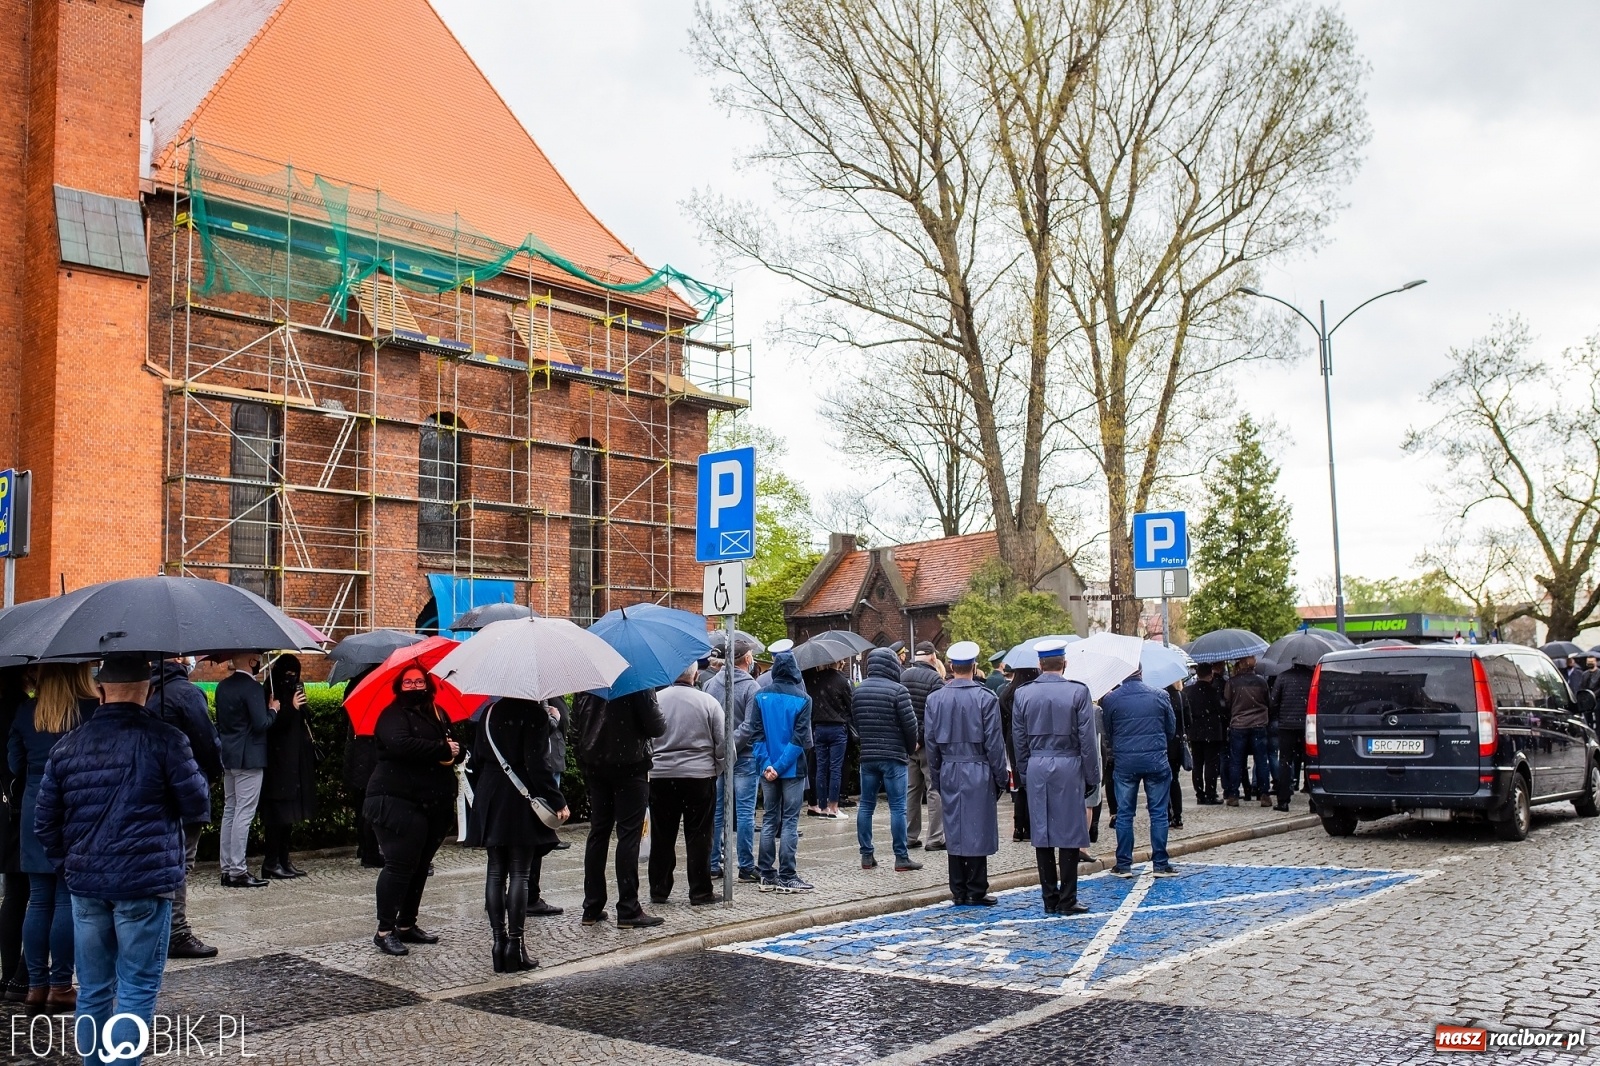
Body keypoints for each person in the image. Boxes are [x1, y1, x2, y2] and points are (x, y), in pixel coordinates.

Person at [35, 654, 209, 1066]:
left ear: (99, 690)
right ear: (147, 690)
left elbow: (45, 823)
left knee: (93, 989)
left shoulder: (66, 747)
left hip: (87, 885)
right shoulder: (166, 739)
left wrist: (70, 865)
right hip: (146, 885)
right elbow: (197, 804)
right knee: (136, 986)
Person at [8, 662, 97, 1014]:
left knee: (38, 901)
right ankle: (61, 986)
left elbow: (15, 763)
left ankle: (34, 986)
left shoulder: (27, 711)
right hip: (73, 810)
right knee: (64, 900)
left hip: (33, 810)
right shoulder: (89, 710)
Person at [465, 696, 568, 973]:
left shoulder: (489, 712)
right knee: (520, 872)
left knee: (495, 871)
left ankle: (498, 945)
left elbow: (474, 761)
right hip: (519, 796)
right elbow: (538, 765)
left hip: (490, 794)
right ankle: (515, 944)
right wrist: (557, 801)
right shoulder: (533, 714)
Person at [364, 665, 460, 955]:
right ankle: (384, 930)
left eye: (420, 681)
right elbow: (401, 745)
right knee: (400, 864)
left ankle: (406, 924)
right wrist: (442, 749)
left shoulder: (438, 713)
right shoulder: (392, 715)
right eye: (408, 682)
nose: (415, 686)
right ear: (399, 686)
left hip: (432, 803)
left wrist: (457, 749)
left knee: (420, 865)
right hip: (394, 801)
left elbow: (456, 746)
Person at [1012, 640, 1099, 914]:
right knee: (1070, 834)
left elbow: (1019, 739)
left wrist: (1025, 772)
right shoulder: (1078, 692)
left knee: (1043, 833)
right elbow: (1087, 739)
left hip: (1038, 764)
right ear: (1064, 663)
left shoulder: (1023, 694)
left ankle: (1049, 896)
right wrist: (1092, 775)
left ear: (1040, 664)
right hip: (1069, 764)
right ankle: (1068, 897)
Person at [145, 657, 223, 959]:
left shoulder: (148, 693)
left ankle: (159, 929)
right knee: (179, 864)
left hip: (150, 791)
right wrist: (212, 776)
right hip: (183, 788)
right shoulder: (187, 693)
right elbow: (207, 740)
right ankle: (176, 932)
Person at [571, 688, 666, 928]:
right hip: (630, 764)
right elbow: (656, 727)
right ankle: (628, 908)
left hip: (596, 765)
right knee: (628, 835)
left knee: (598, 833)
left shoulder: (587, 683)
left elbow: (575, 730)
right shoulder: (636, 682)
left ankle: (592, 906)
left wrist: (585, 761)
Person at [923, 642, 1007, 906]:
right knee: (977, 827)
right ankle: (976, 886)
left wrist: (936, 775)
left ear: (950, 667)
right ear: (974, 666)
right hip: (978, 766)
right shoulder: (985, 698)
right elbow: (994, 742)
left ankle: (958, 888)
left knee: (954, 826)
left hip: (949, 766)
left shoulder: (935, 699)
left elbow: (931, 742)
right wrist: (1000, 776)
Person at [648, 664, 725, 906]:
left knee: (662, 834)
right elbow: (722, 744)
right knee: (700, 835)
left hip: (661, 776)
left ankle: (659, 889)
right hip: (699, 776)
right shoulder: (708, 702)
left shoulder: (656, 699)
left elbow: (646, 739)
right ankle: (700, 891)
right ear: (696, 675)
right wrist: (716, 770)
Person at [738, 650, 814, 892]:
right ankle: (787, 875)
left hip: (766, 766)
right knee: (790, 821)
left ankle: (766, 874)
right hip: (792, 768)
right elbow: (799, 739)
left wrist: (768, 765)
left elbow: (756, 734)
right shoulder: (803, 699)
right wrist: (781, 766)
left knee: (770, 819)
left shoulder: (761, 696)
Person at [1101, 670, 1178, 877]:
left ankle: (1124, 864)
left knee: (1125, 814)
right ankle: (1160, 864)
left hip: (1126, 762)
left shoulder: (1111, 699)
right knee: (1159, 813)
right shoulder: (1160, 695)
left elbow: (1109, 730)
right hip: (1155, 761)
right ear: (1141, 673)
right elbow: (1171, 729)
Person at [851, 647, 921, 872]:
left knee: (866, 806)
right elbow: (910, 727)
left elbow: (856, 723)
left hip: (868, 756)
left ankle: (866, 855)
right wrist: (909, 749)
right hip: (893, 756)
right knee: (898, 808)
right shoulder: (898, 691)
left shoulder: (858, 692)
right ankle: (901, 857)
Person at [215, 653, 276, 888]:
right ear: (252, 661)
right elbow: (261, 724)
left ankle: (227, 868)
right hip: (249, 757)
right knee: (244, 813)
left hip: (228, 755)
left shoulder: (222, 686)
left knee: (230, 810)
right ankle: (238, 870)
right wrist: (274, 710)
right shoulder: (252, 687)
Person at [704, 641, 759, 882]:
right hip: (744, 756)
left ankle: (713, 863)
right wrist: (732, 745)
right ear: (746, 659)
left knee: (716, 812)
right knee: (745, 813)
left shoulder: (708, 684)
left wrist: (721, 747)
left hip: (717, 757)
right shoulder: (752, 688)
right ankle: (746, 866)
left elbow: (706, 721)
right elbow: (750, 725)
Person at [261, 655, 317, 880]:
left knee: (289, 816)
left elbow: (305, 719)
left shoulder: (295, 689)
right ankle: (272, 861)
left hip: (295, 760)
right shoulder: (270, 691)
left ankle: (284, 859)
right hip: (278, 762)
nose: (292, 677)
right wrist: (288, 708)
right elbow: (271, 725)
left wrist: (300, 706)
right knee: (277, 816)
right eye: (288, 673)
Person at [0, 665, 31, 1003]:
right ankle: (23, 976)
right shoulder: (23, 709)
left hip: (4, 809)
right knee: (35, 895)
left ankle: (9, 975)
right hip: (21, 809)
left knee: (13, 894)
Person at [901, 641, 946, 851]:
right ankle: (935, 837)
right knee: (934, 788)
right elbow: (935, 714)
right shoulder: (936, 679)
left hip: (907, 743)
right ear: (932, 657)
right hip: (928, 743)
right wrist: (921, 736)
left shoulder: (903, 677)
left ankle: (909, 836)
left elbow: (900, 710)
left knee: (912, 789)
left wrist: (911, 737)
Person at [340, 667, 383, 868]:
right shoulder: (375, 686)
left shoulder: (354, 684)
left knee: (361, 805)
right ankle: (370, 852)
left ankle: (364, 847)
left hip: (356, 753)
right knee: (371, 807)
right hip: (368, 756)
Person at [805, 662, 853, 818]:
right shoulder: (841, 680)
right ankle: (834, 807)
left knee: (821, 768)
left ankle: (823, 807)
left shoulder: (815, 679)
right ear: (839, 662)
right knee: (835, 769)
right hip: (837, 728)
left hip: (819, 728)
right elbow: (850, 705)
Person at [1223, 656, 1272, 808]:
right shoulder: (1261, 682)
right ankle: (1264, 794)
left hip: (1239, 724)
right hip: (1259, 724)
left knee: (1236, 761)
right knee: (1261, 760)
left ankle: (1233, 795)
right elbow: (1268, 701)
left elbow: (1227, 703)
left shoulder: (1232, 683)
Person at [999, 665, 1040, 842]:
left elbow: (1001, 723)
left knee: (1020, 785)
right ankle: (1030, 827)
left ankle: (1018, 827)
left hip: (1011, 739)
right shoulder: (1031, 693)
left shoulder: (1006, 694)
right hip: (1029, 737)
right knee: (1031, 783)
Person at [1270, 663, 1314, 812]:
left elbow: (1273, 701)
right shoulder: (1312, 677)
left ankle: (1283, 800)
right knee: (1310, 761)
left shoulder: (1283, 677)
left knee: (1285, 761)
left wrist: (1278, 716)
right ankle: (1314, 801)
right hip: (1308, 725)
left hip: (1286, 725)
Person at [1184, 663, 1228, 804]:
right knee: (1211, 764)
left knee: (1197, 763)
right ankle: (1210, 792)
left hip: (1195, 732)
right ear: (1210, 675)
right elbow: (1222, 710)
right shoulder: (1214, 691)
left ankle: (1200, 793)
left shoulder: (1188, 691)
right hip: (1212, 732)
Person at [1166, 681, 1189, 831]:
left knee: (1162, 782)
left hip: (1162, 744)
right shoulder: (1181, 697)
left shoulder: (1159, 697)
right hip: (1176, 744)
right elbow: (1188, 721)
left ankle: (1167, 815)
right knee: (1174, 780)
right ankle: (1178, 816)